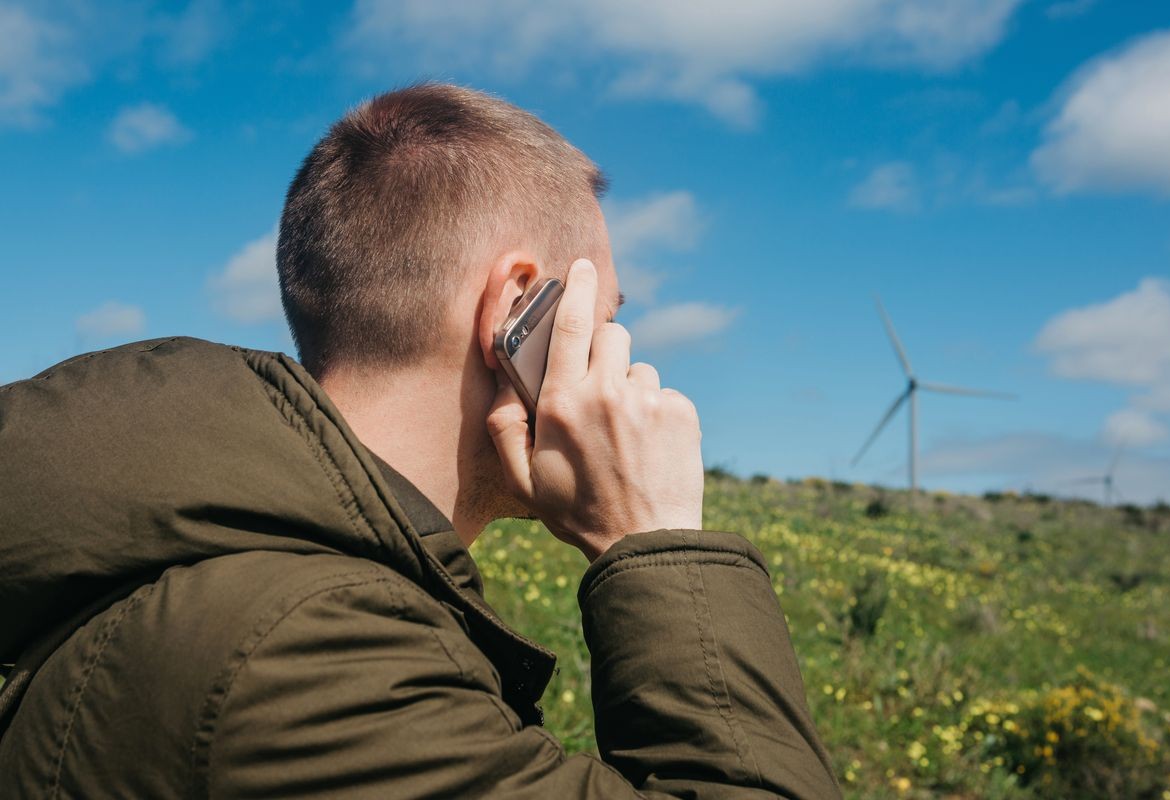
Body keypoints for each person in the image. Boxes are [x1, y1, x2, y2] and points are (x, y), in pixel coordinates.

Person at [0, 83, 841, 798]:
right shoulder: (315, 653)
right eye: (607, 320)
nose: (623, 363)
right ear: (518, 306)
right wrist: (654, 538)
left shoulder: (214, 542)